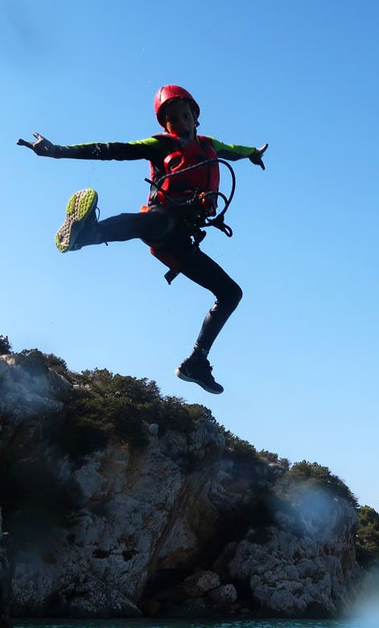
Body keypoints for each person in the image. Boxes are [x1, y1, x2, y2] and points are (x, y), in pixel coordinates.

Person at [18, 84, 268, 395]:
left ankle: (196, 362)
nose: (180, 121)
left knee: (231, 293)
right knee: (153, 221)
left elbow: (234, 150)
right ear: (164, 124)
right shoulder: (159, 145)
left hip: (183, 240)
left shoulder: (210, 145)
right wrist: (57, 151)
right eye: (172, 118)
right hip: (162, 220)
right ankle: (84, 234)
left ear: (195, 116)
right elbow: (112, 149)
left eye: (184, 114)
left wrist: (253, 154)